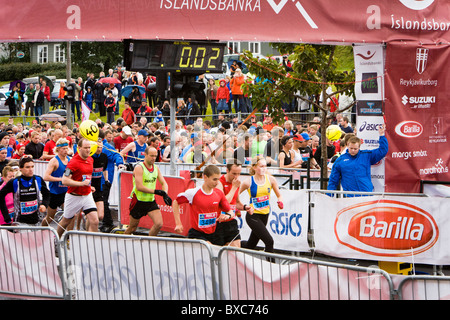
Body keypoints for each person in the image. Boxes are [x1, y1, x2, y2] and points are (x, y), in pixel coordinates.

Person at [173, 165, 234, 244]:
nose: (217, 182)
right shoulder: (193, 193)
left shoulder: (219, 193)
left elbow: (231, 212)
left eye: (218, 179)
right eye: (214, 179)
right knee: (209, 248)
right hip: (197, 233)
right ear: (205, 177)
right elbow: (176, 202)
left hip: (214, 233)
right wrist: (178, 223)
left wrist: (227, 216)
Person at [239, 156, 283, 253]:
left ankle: (235, 244)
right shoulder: (248, 182)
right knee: (269, 241)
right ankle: (271, 266)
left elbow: (279, 195)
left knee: (251, 245)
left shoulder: (271, 180)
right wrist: (242, 206)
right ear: (254, 167)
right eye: (261, 166)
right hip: (252, 216)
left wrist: (280, 201)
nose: (264, 168)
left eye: (265, 166)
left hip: (265, 215)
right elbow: (235, 195)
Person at [124, 147, 171, 236]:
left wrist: (165, 194)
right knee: (132, 228)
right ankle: (121, 241)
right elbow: (139, 187)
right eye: (151, 156)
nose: (153, 158)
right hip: (138, 201)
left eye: (155, 156)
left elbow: (164, 183)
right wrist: (157, 192)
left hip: (150, 201)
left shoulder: (156, 168)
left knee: (159, 224)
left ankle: (149, 243)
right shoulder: (139, 167)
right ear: (145, 155)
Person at [57, 138, 99, 237]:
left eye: (89, 148)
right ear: (79, 148)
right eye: (85, 148)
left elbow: (85, 176)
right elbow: (65, 180)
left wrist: (88, 185)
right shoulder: (73, 162)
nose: (88, 150)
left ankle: (92, 244)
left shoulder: (90, 159)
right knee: (66, 221)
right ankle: (55, 240)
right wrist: (81, 184)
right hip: (73, 196)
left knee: (95, 221)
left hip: (87, 195)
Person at [327, 125, 387, 192]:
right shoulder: (340, 160)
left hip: (366, 195)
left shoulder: (366, 155)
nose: (353, 150)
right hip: (350, 197)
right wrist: (329, 197)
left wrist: (382, 135)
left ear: (359, 147)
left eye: (355, 149)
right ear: (347, 146)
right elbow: (333, 180)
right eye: (351, 148)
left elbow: (382, 151)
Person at [0, 157, 50, 226]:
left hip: (36, 220)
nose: (31, 170)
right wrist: (6, 216)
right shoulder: (15, 182)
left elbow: (47, 194)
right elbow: (1, 195)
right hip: (20, 222)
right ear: (21, 168)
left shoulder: (38, 179)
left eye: (32, 166)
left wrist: (44, 204)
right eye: (27, 167)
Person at [215, 160, 253, 247]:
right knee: (219, 251)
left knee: (236, 249)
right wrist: (234, 187)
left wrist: (245, 207)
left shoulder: (236, 183)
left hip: (231, 221)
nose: (236, 176)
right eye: (234, 173)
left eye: (239, 173)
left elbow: (237, 203)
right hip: (219, 222)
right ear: (227, 170)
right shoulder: (219, 183)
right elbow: (223, 203)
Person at [42, 138, 71, 227]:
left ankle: (68, 237)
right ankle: (41, 230)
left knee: (70, 215)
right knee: (50, 217)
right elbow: (46, 177)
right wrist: (61, 180)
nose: (66, 150)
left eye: (67, 148)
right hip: (55, 193)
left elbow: (69, 174)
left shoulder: (69, 160)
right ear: (58, 149)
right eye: (63, 149)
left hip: (66, 192)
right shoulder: (54, 161)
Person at [91, 138, 108, 230]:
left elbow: (104, 169)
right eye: (97, 147)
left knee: (100, 216)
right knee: (91, 217)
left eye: (101, 147)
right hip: (89, 189)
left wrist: (106, 181)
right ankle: (88, 232)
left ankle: (91, 229)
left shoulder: (104, 157)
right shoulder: (90, 157)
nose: (99, 149)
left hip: (99, 188)